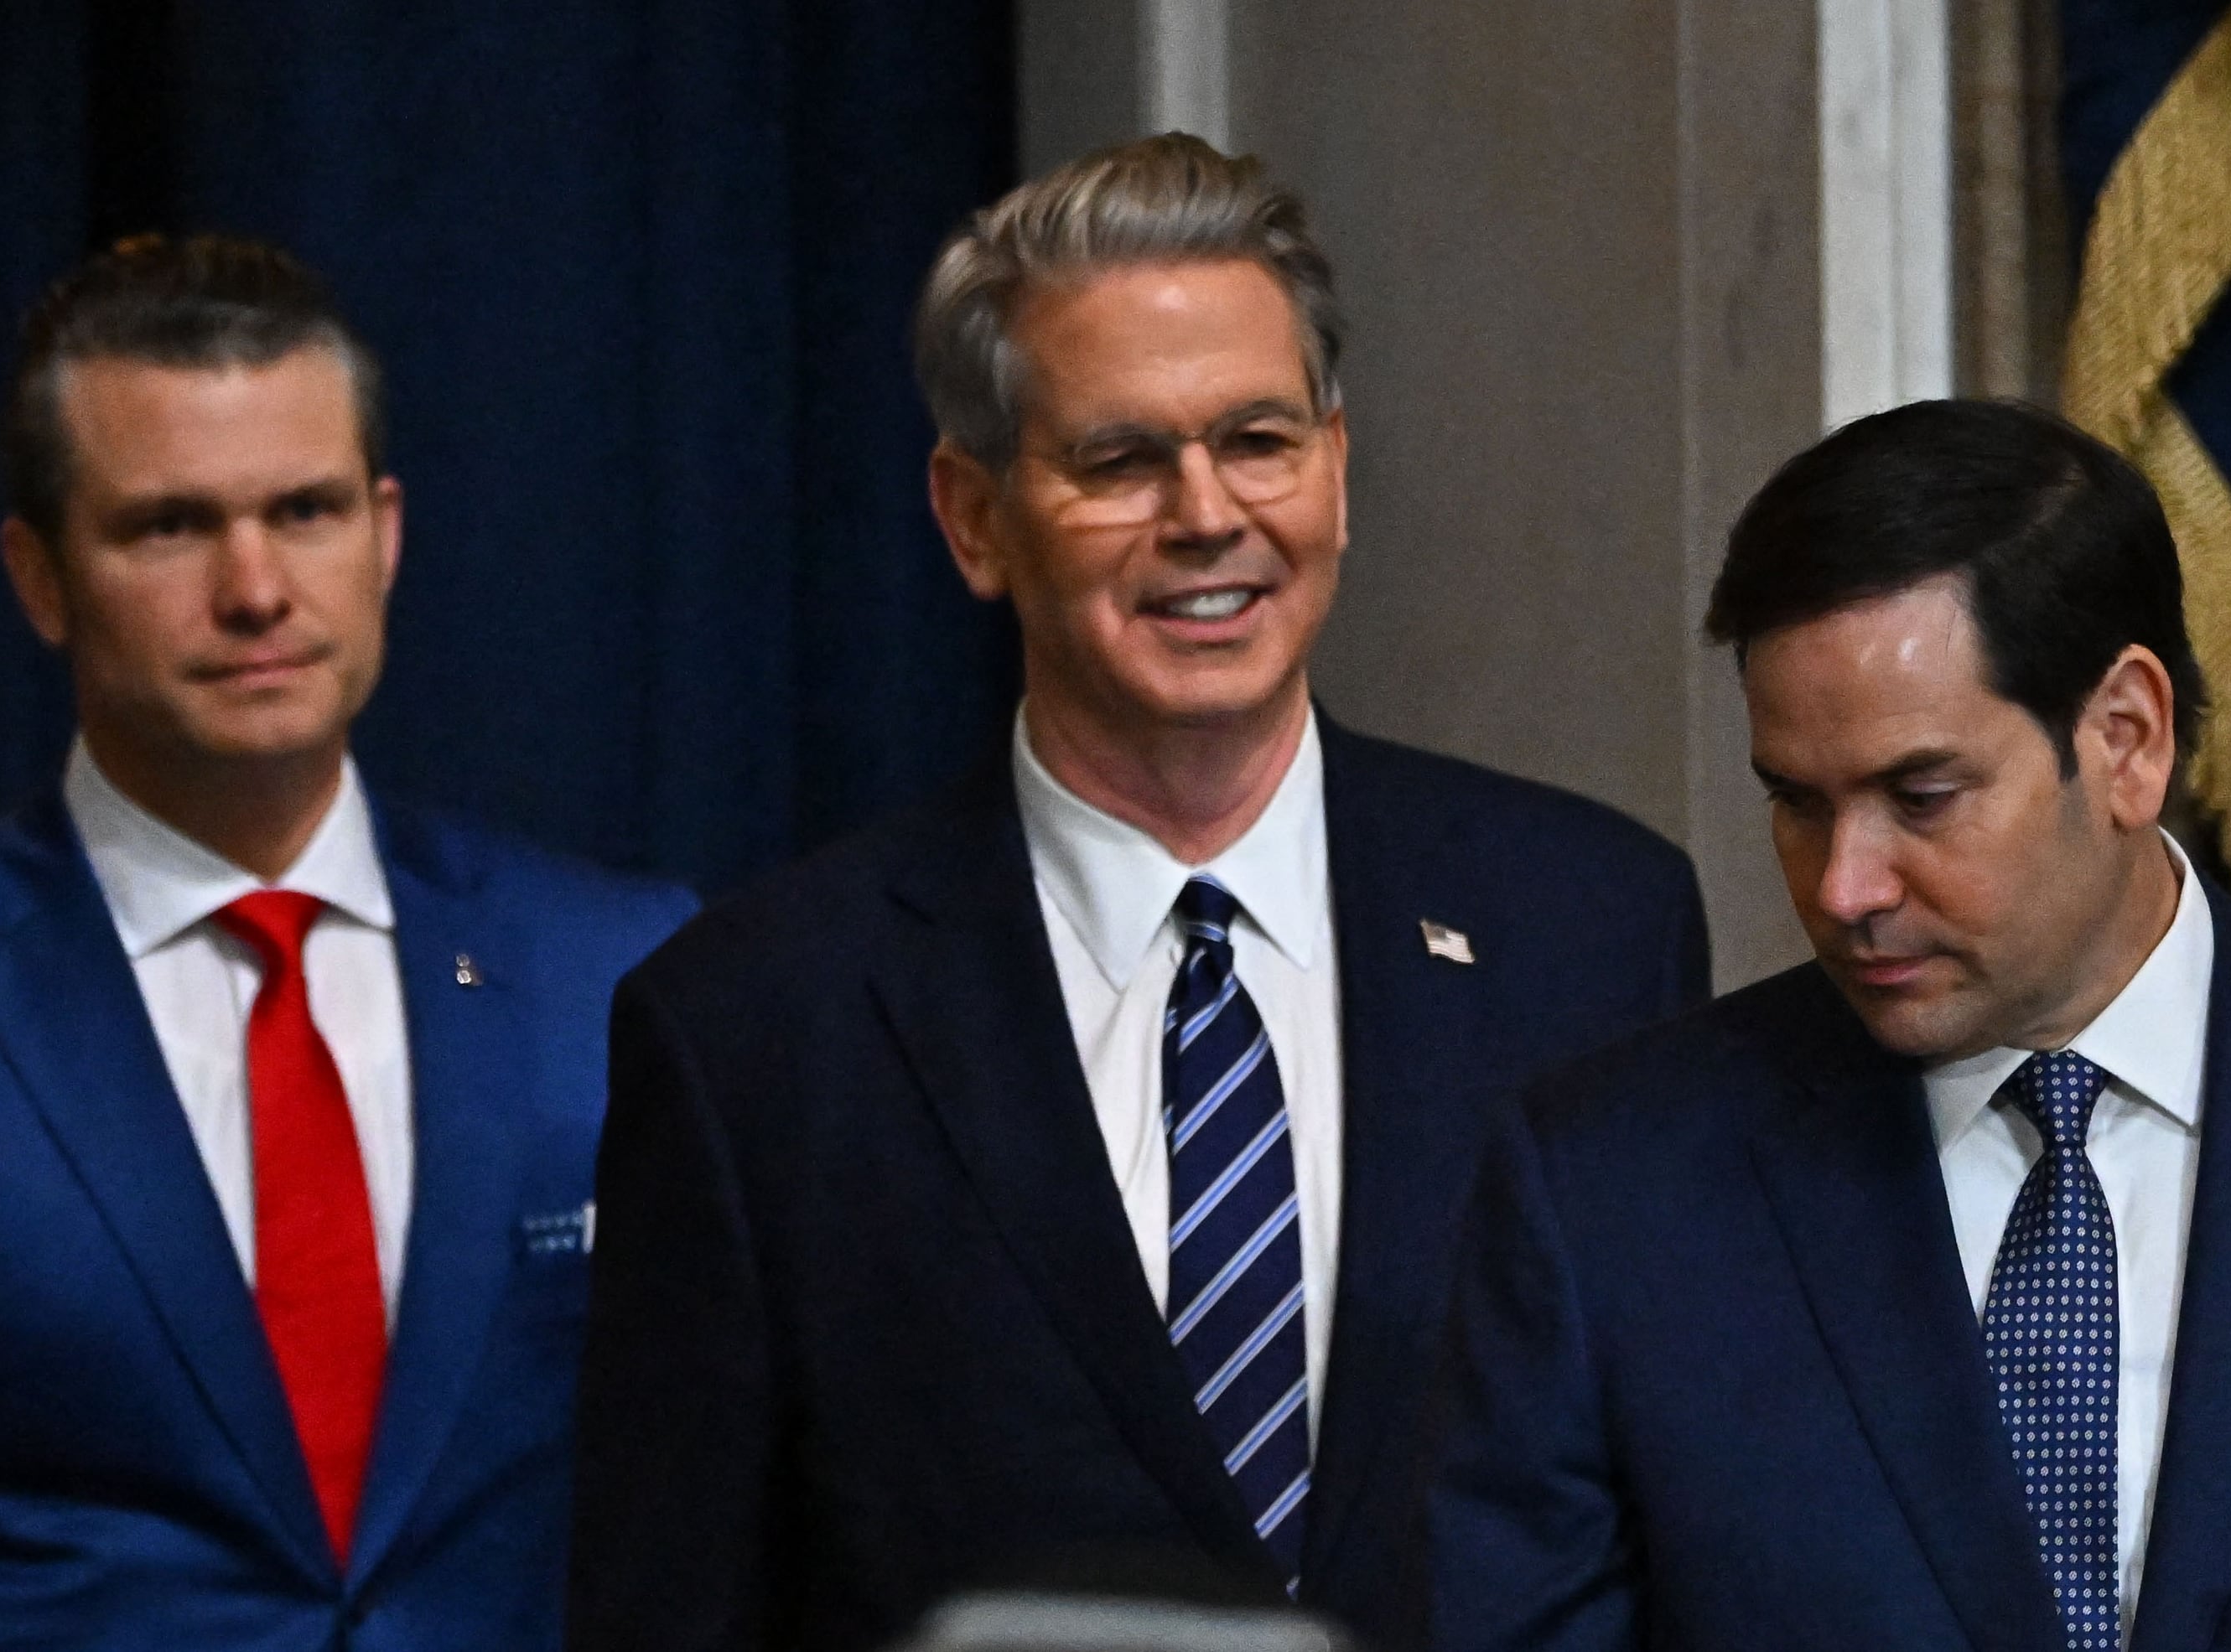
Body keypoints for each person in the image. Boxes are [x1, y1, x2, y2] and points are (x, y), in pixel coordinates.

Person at [569, 134, 1710, 1652]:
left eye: (1259, 439)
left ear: (1339, 471)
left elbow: (1684, 1536)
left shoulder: (1593, 932)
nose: (1206, 517)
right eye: (1120, 461)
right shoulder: (755, 1028)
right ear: (973, 518)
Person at [0, 235, 697, 1649]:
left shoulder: (616, 976)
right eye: (170, 526)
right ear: (40, 578)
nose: (255, 590)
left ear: (388, 533)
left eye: (305, 510)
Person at [1432, 397, 2231, 1652]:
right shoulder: (1610, 1193)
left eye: (1922, 796)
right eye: (1798, 803)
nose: (1845, 889)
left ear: (2126, 739)